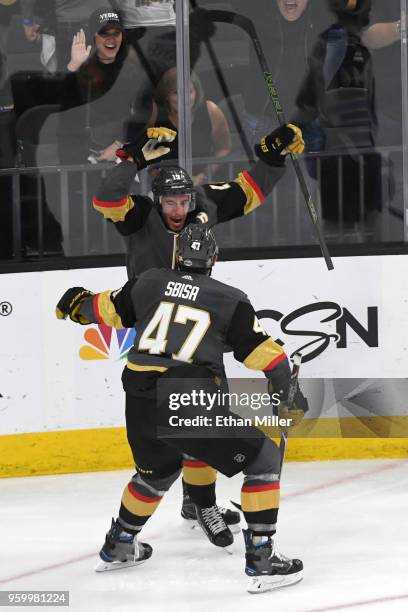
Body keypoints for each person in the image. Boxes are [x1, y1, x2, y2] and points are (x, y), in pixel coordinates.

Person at [55, 223, 309, 594]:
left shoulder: (148, 282)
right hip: (185, 394)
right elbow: (269, 359)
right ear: (214, 260)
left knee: (155, 474)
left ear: (177, 257)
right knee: (264, 461)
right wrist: (287, 396)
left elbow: (100, 309)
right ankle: (262, 560)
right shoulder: (229, 299)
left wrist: (74, 305)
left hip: (139, 394)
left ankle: (120, 544)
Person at [92, 122, 304, 530]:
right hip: (159, 328)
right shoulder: (139, 215)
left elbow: (247, 193)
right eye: (168, 202)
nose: (177, 210)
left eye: (183, 202)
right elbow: (106, 197)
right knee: (194, 418)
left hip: (204, 326)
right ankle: (200, 502)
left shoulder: (201, 203)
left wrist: (272, 157)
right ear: (157, 201)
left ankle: (195, 503)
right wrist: (132, 159)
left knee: (204, 418)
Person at [57, 8, 141, 164]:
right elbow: (60, 106)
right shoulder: (80, 68)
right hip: (82, 157)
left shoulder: (132, 71)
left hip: (122, 155)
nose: (111, 39)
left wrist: (119, 145)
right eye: (104, 34)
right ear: (93, 37)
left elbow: (145, 113)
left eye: (116, 34)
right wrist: (74, 64)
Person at [147, 67, 231, 185]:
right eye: (176, 93)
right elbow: (144, 155)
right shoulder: (155, 114)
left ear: (196, 92)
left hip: (202, 185)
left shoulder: (211, 111)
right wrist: (166, 181)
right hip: (165, 188)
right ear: (166, 95)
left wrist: (204, 176)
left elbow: (223, 149)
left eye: (189, 92)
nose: (184, 98)